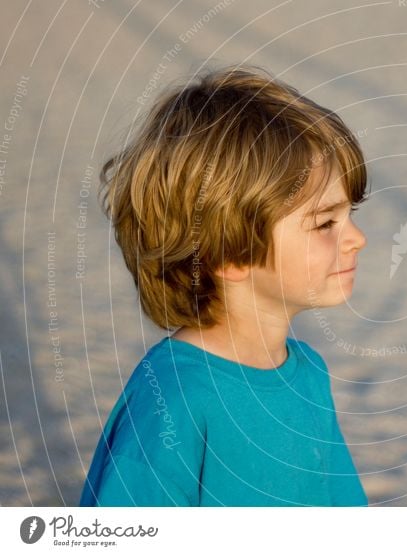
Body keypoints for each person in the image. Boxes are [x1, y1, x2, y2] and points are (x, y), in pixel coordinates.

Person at [79, 65, 369, 506]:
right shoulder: (174, 397)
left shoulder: (309, 375)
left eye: (350, 216)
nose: (356, 239)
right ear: (228, 253)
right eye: (326, 222)